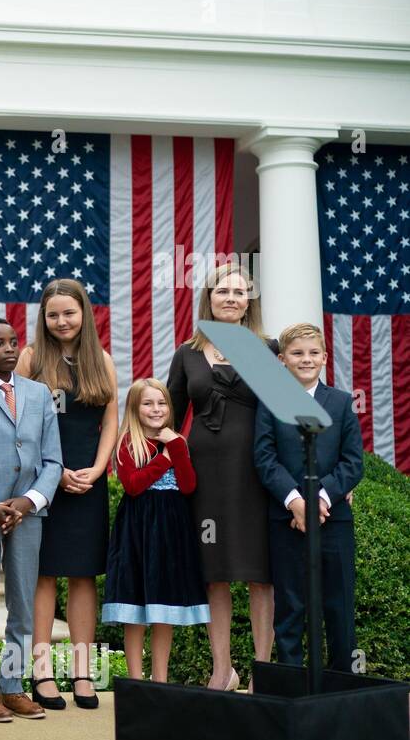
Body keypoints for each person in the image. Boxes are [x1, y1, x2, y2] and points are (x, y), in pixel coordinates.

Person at [166, 262, 275, 691]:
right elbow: (168, 418)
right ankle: (222, 669)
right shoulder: (187, 353)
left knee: (260, 573)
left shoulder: (266, 348)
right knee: (215, 571)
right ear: (207, 298)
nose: (230, 297)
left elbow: (289, 417)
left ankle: (263, 671)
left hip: (255, 475)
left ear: (249, 300)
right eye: (222, 291)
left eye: (239, 291)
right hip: (204, 480)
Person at [15, 278, 117, 710]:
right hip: (44, 483)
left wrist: (97, 468)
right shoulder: (32, 359)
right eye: (53, 314)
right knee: (44, 575)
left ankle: (82, 672)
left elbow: (111, 419)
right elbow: (16, 421)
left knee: (83, 575)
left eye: (69, 313)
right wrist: (52, 475)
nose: (61, 321)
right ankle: (40, 671)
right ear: (44, 317)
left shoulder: (103, 361)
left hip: (88, 481)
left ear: (84, 315)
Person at [0, 319, 62, 723]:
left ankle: (12, 685)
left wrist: (29, 501)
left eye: (13, 342)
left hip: (27, 513)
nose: (8, 348)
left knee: (23, 603)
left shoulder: (39, 394)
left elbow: (53, 460)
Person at [253, 323, 363, 672]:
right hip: (286, 520)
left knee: (339, 606)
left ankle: (341, 685)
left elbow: (353, 462)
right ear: (283, 360)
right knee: (290, 606)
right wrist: (295, 501)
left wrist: (320, 499)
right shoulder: (270, 402)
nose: (306, 359)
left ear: (325, 358)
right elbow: (264, 457)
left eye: (314, 353)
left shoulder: (342, 403)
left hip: (334, 520)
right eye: (298, 353)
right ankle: (292, 689)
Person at [102, 380, 210, 681]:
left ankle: (160, 680)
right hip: (138, 530)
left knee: (165, 608)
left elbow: (188, 485)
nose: (156, 409)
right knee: (136, 606)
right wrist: (164, 458)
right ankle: (137, 680)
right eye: (148, 403)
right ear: (136, 408)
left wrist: (175, 446)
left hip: (172, 530)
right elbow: (133, 486)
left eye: (161, 403)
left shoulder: (177, 442)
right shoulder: (128, 442)